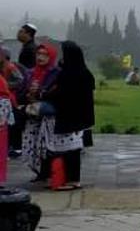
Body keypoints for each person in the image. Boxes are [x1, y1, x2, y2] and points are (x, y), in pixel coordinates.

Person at [40, 41, 95, 191]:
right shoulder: (84, 72)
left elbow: (62, 93)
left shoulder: (69, 73)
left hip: (69, 116)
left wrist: (44, 95)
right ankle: (65, 178)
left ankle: (71, 179)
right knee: (69, 149)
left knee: (69, 149)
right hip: (77, 116)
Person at [17, 43, 59, 180]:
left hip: (47, 115)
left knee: (45, 144)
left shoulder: (55, 73)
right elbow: (20, 93)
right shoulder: (30, 73)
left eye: (45, 54)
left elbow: (55, 93)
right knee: (31, 144)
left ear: (51, 56)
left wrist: (40, 92)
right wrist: (28, 95)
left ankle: (47, 172)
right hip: (32, 115)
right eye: (38, 54)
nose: (41, 57)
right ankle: (39, 172)